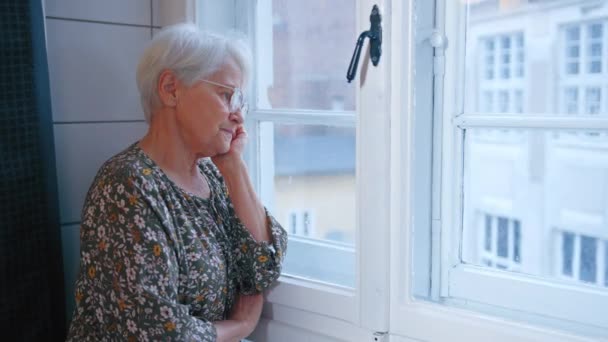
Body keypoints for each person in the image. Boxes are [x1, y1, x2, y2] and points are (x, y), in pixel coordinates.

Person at [66, 23, 287, 341]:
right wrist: (239, 326)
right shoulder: (125, 187)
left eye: (239, 100)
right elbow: (157, 333)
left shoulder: (213, 175)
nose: (238, 115)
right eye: (226, 95)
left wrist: (234, 166)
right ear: (170, 88)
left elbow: (263, 267)